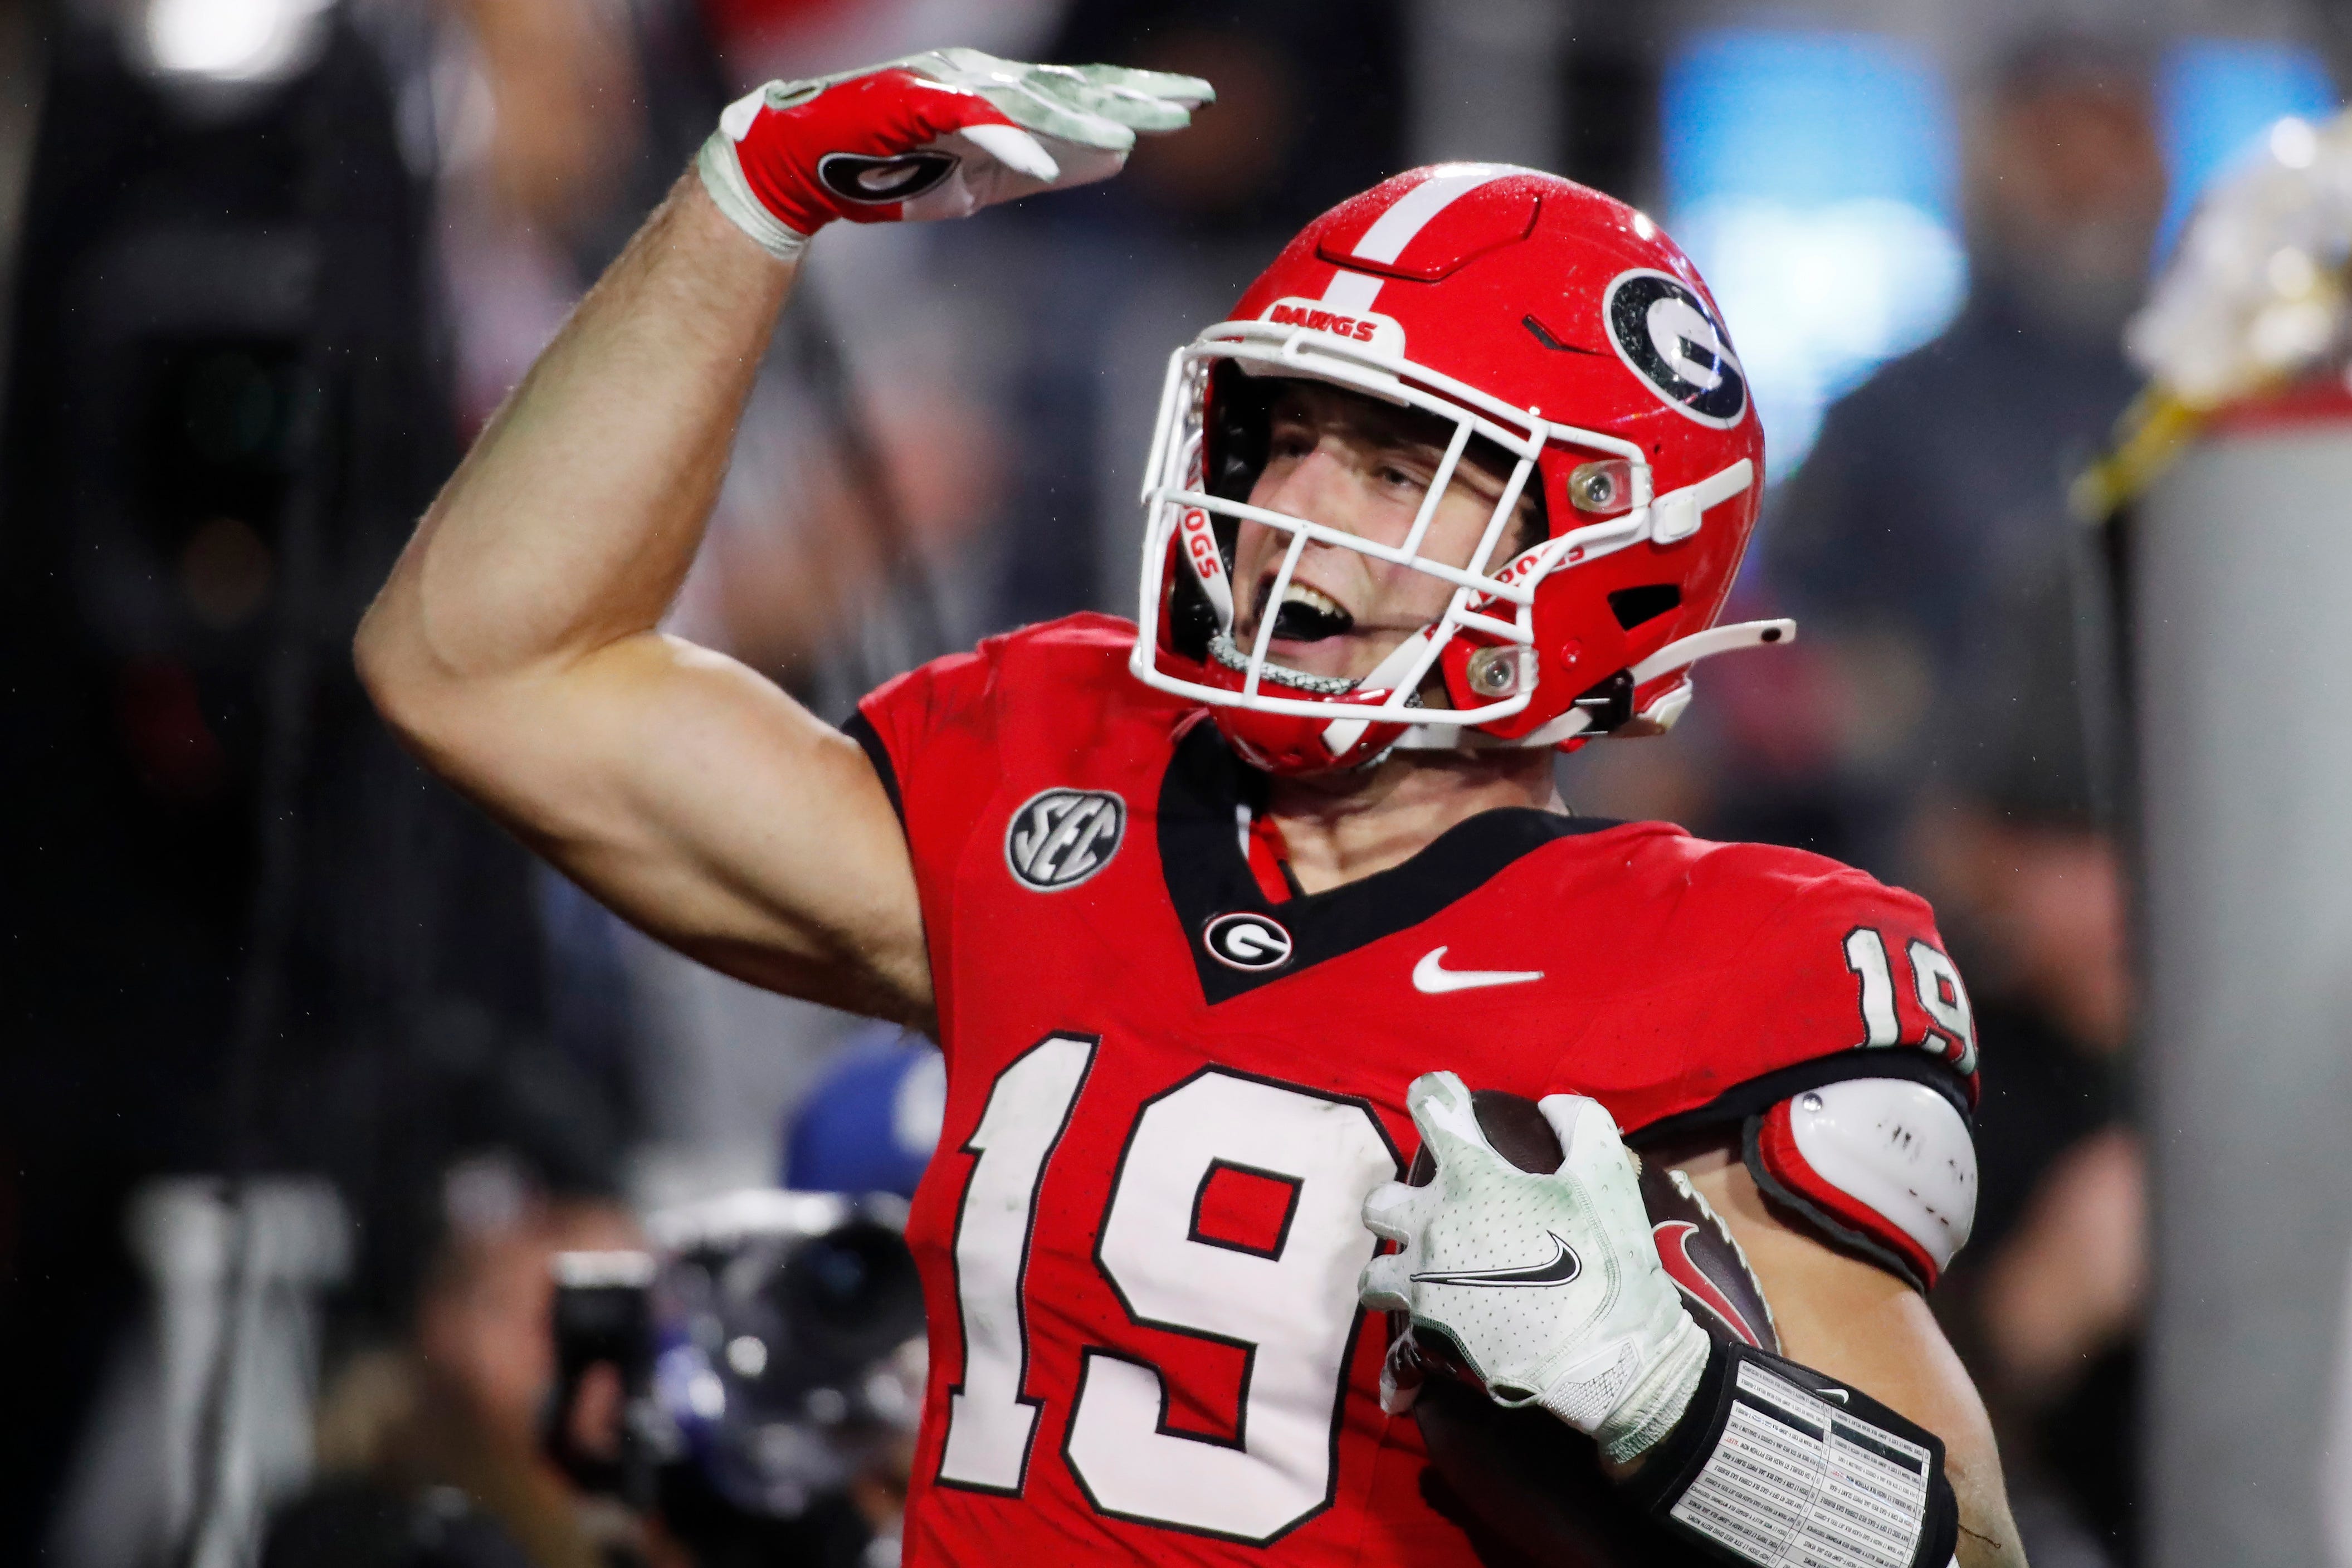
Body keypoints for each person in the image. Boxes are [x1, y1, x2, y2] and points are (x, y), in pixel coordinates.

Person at [356, 48, 2026, 1567]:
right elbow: (483, 669)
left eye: (1397, 469)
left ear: (1602, 548)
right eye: (1284, 439)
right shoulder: (1064, 770)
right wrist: (752, 200)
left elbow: (1968, 1556)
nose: (1290, 509)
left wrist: (1675, 1405)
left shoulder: (1718, 962)